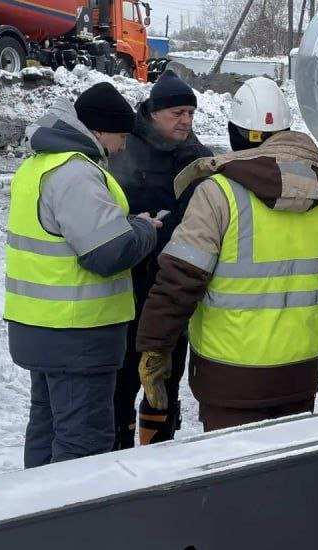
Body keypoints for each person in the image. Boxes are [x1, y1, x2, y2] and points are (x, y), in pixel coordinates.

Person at [135, 76, 318, 432]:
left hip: (227, 378)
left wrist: (155, 347)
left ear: (234, 132)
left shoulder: (217, 195)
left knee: (236, 482)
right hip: (299, 374)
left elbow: (178, 281)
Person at [4, 82, 160, 467]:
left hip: (41, 327)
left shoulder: (41, 165)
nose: (123, 147)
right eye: (121, 136)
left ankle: (38, 516)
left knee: (48, 428)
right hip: (77, 336)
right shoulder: (75, 172)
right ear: (100, 130)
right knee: (83, 444)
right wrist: (142, 230)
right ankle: (71, 525)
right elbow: (107, 252)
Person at [108, 70, 212, 448]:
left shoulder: (196, 154)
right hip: (131, 288)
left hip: (174, 288)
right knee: (125, 379)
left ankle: (159, 448)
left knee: (166, 379)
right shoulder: (125, 148)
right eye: (178, 113)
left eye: (191, 113)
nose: (186, 121)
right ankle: (117, 447)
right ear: (154, 113)